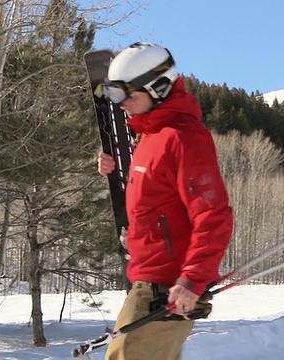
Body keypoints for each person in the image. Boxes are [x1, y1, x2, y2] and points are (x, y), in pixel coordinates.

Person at [97, 42, 234, 359]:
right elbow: (155, 198)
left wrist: (192, 280)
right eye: (116, 96)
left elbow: (214, 215)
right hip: (146, 282)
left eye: (128, 95)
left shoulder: (184, 137)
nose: (123, 104)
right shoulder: (149, 135)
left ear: (158, 88)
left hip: (168, 289)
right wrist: (116, 167)